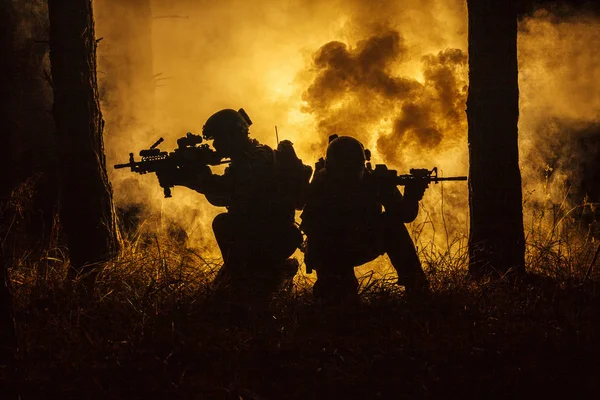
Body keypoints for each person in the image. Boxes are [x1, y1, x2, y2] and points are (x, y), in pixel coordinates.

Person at [158, 108, 312, 304]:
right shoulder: (249, 158)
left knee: (223, 224)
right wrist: (190, 176)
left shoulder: (257, 160)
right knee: (219, 292)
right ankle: (255, 275)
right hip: (265, 234)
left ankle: (270, 272)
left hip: (274, 237)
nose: (216, 145)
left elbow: (225, 192)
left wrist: (195, 175)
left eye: (219, 138)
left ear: (235, 135)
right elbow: (222, 194)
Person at [300, 135, 429, 305]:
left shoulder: (372, 180)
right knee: (338, 303)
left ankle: (416, 286)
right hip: (332, 252)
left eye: (355, 168)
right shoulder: (322, 184)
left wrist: (411, 195)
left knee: (393, 226)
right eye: (345, 170)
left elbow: (404, 215)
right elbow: (313, 229)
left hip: (361, 241)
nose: (351, 174)